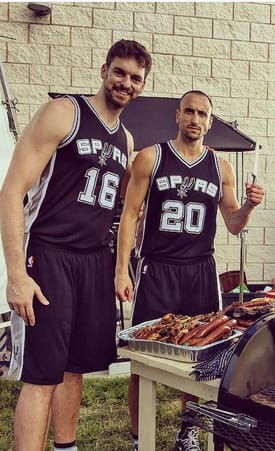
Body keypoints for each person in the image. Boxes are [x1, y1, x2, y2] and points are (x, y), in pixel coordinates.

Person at [0, 39, 151, 451]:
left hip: (93, 261)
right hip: (49, 253)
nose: (126, 82)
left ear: (142, 86)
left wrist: (118, 269)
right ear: (104, 71)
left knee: (74, 368)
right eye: (119, 72)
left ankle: (66, 447)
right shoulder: (64, 112)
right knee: (42, 376)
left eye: (135, 78)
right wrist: (16, 274)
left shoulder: (126, 140)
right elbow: (12, 190)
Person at [115, 90, 264, 451]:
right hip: (158, 268)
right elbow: (129, 215)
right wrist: (121, 270)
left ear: (210, 122)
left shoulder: (221, 167)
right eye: (190, 112)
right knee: (142, 358)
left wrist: (248, 206)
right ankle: (138, 437)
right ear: (178, 116)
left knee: (202, 358)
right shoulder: (151, 157)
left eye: (202, 114)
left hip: (200, 270)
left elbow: (233, 224)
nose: (195, 119)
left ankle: (188, 432)